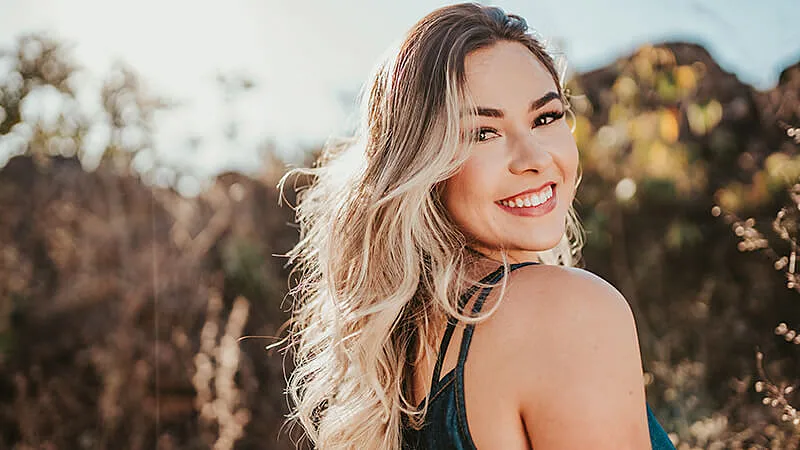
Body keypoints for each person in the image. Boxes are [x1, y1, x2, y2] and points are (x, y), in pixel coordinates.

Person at [278, 3, 676, 449]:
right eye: (482, 133)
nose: (535, 159)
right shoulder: (565, 312)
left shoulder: (408, 348)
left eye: (545, 118)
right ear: (421, 164)